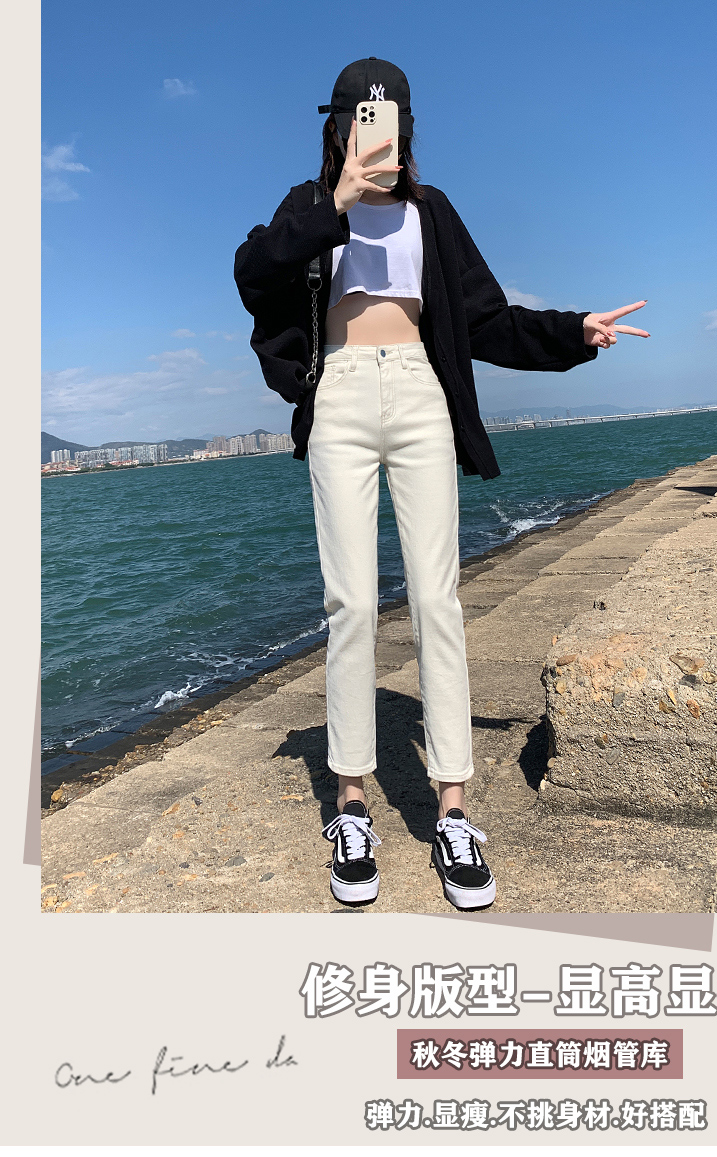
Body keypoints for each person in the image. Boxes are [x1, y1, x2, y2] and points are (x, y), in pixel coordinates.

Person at [234, 58, 649, 911]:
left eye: (387, 118)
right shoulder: (309, 206)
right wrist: (336, 201)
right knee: (350, 602)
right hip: (340, 395)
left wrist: (572, 330)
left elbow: (486, 318)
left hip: (422, 394)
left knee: (438, 598)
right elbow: (254, 273)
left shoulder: (432, 212)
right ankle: (351, 803)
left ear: (406, 126)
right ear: (337, 126)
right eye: (357, 118)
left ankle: (453, 809)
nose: (373, 133)